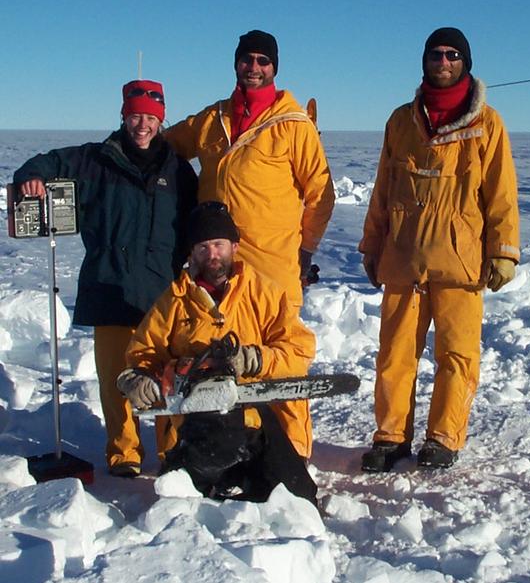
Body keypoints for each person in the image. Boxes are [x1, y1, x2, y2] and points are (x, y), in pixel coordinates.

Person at [164, 30, 335, 460]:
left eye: (263, 61)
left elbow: (321, 193)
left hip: (273, 266)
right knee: (217, 358)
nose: (254, 68)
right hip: (216, 265)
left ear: (275, 68)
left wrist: (305, 250)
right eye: (247, 60)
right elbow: (164, 146)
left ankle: (293, 455)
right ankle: (228, 449)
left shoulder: (293, 125)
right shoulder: (212, 120)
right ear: (236, 63)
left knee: (280, 364)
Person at [13, 80, 198, 477]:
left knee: (169, 379)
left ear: (161, 120)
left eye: (150, 117)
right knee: (117, 382)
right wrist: (31, 176)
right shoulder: (96, 160)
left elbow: (191, 228)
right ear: (123, 116)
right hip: (109, 286)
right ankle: (124, 453)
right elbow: (45, 163)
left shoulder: (178, 171)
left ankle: (172, 453)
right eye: (135, 116)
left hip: (162, 295)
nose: (142, 125)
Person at [359, 27, 520, 472]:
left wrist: (504, 251)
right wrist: (372, 245)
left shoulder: (488, 123)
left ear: (465, 62)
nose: (443, 61)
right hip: (403, 257)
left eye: (452, 54)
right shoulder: (401, 121)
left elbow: (502, 193)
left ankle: (444, 437)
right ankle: (391, 436)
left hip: (460, 260)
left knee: (456, 354)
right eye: (436, 54)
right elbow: (383, 189)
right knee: (394, 354)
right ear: (425, 60)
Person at [117, 202, 317, 503]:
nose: (212, 255)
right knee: (183, 506)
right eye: (203, 247)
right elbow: (142, 354)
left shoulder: (263, 293)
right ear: (191, 252)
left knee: (298, 500)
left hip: (255, 420)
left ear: (234, 247)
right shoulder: (174, 302)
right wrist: (138, 379)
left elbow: (300, 350)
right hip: (196, 427)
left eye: (219, 245)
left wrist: (256, 359)